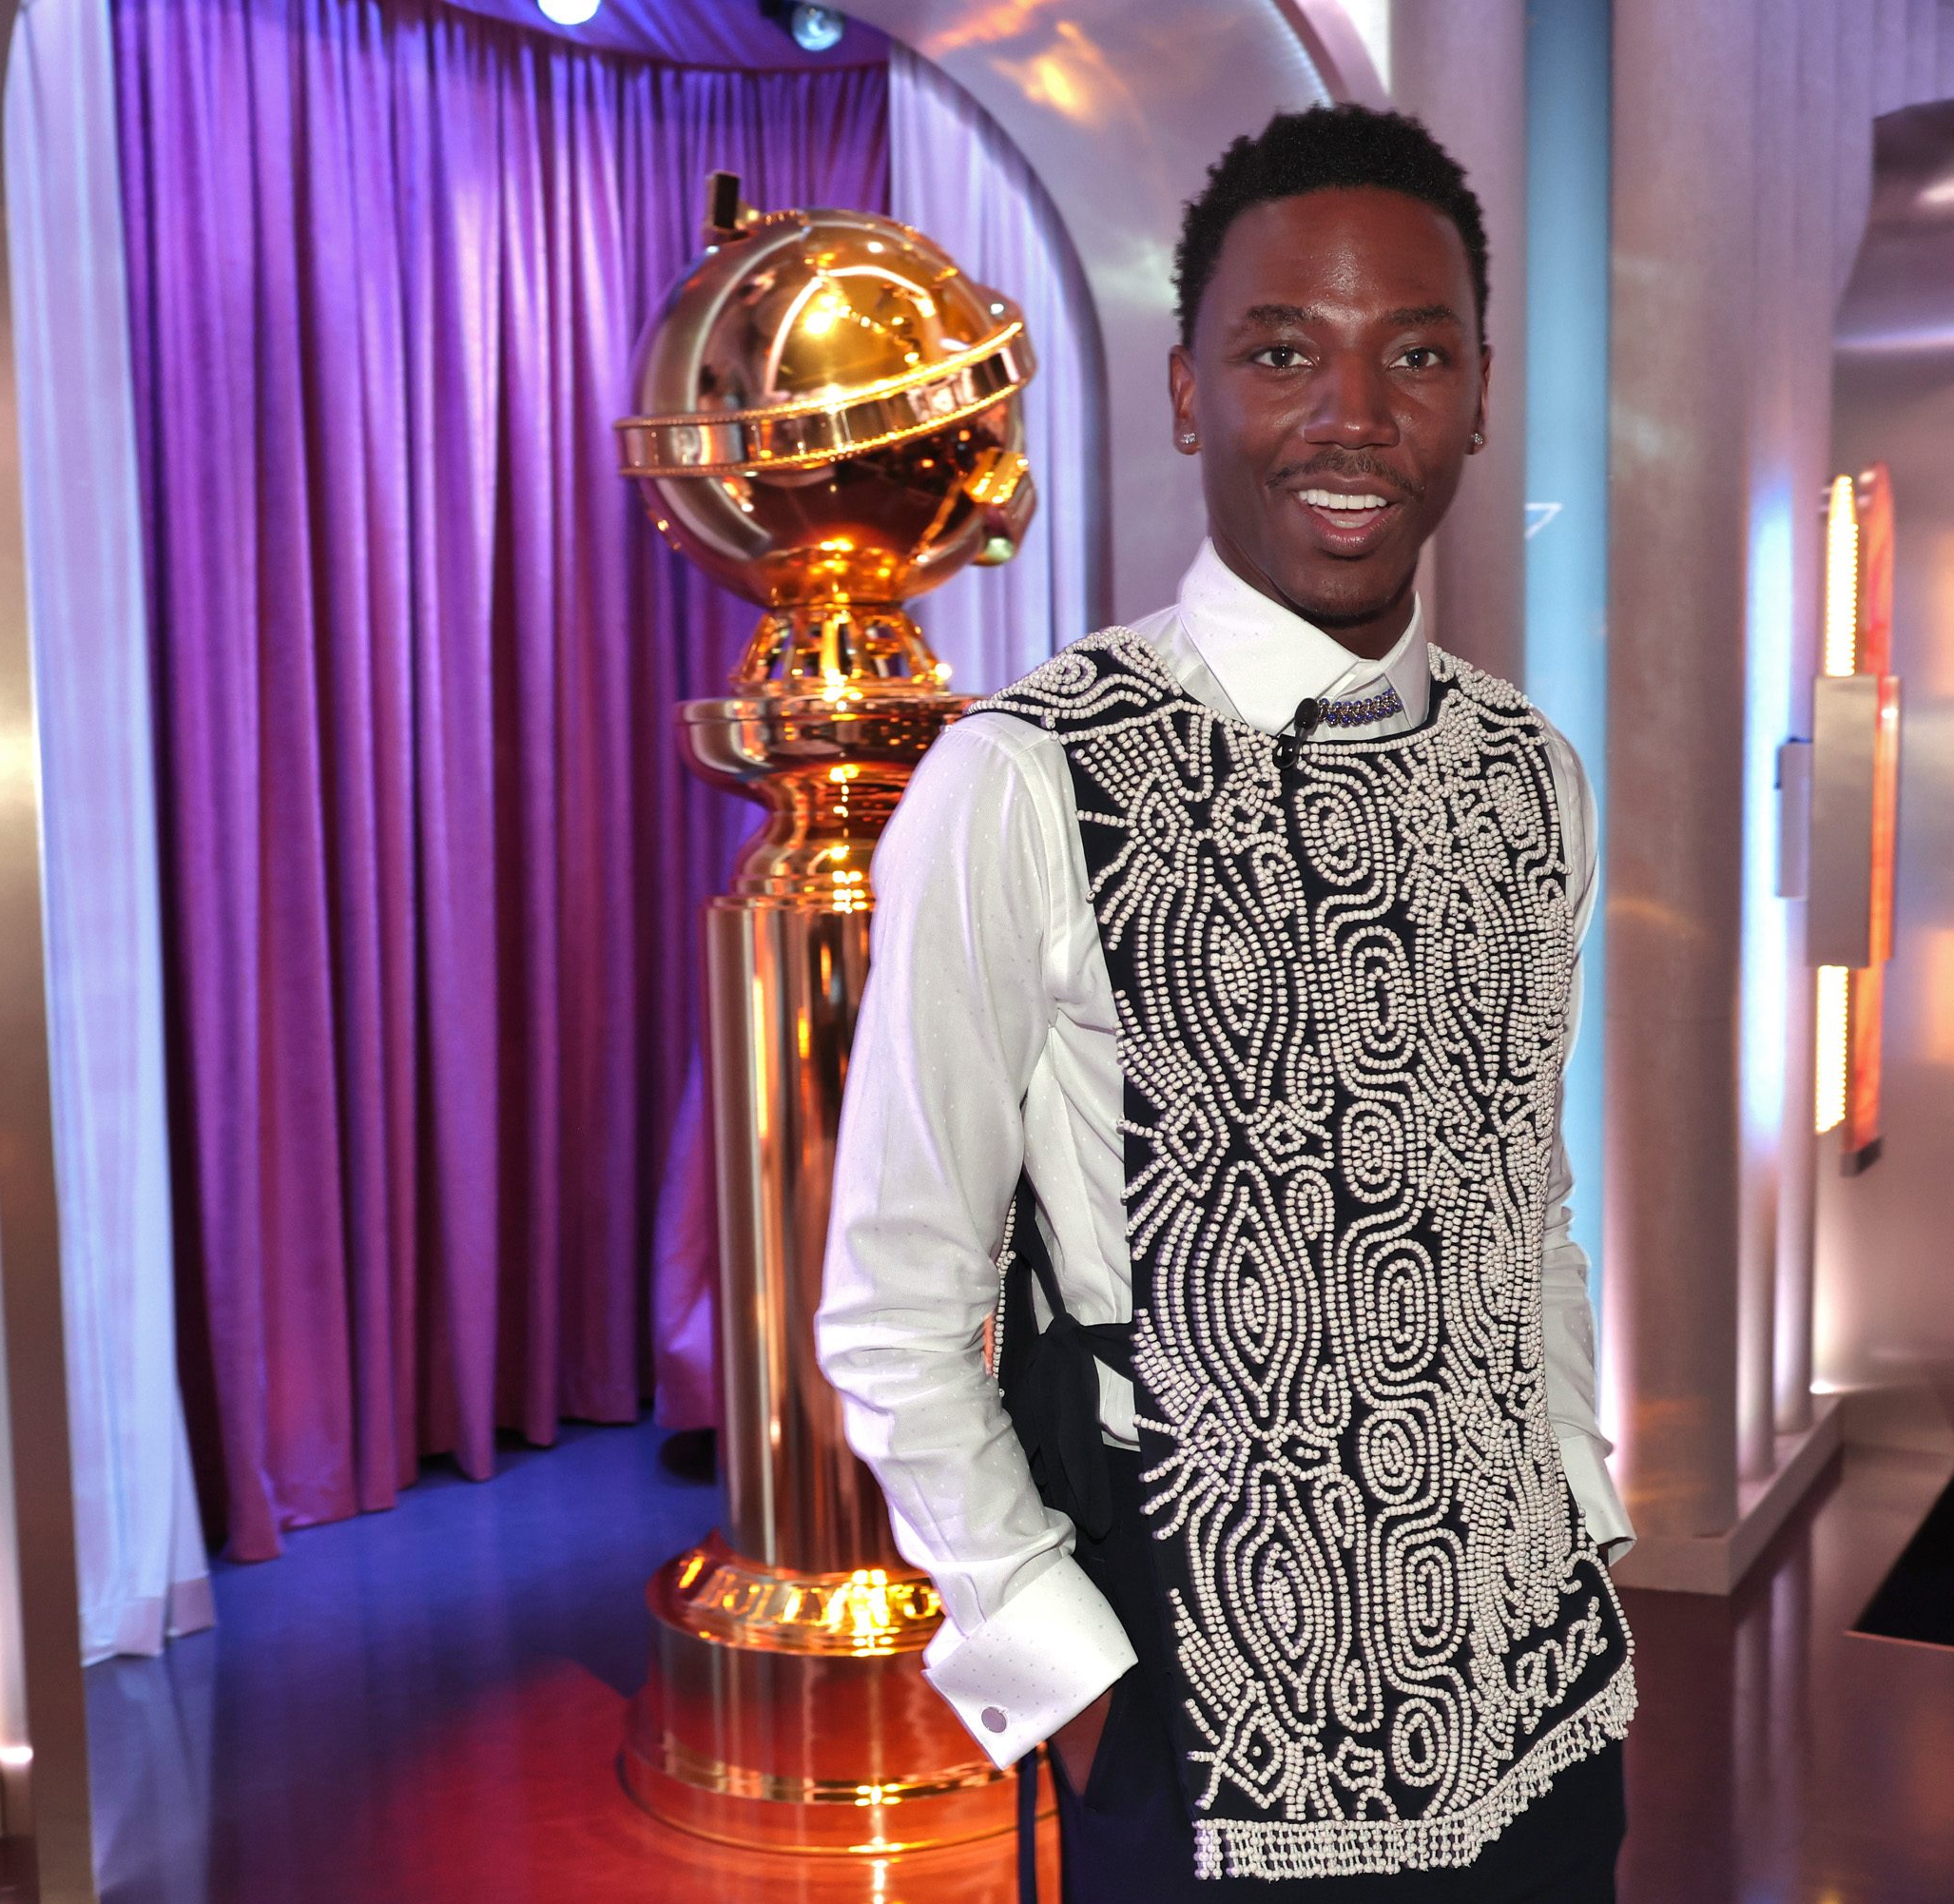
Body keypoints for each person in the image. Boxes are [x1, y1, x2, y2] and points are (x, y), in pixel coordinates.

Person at [815, 106, 1630, 1901]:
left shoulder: (1528, 774)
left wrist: (1584, 1505)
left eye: (1414, 353)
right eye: (1283, 352)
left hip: (1539, 1692)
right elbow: (890, 1304)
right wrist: (1068, 1674)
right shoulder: (1029, 777)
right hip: (1199, 1707)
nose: (1354, 415)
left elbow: (1528, 1203)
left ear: (1483, 392)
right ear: (1189, 391)